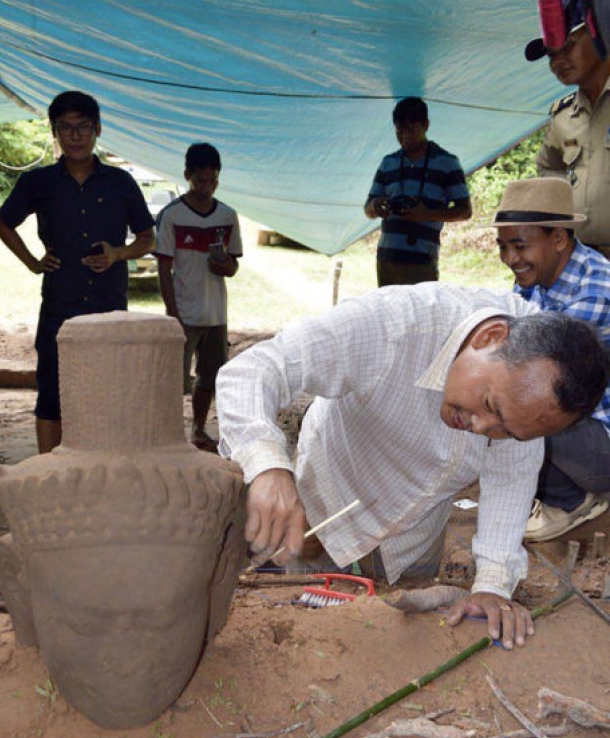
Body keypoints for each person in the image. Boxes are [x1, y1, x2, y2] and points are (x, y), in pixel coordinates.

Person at [215, 282, 608, 650]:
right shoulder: (393, 325)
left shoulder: (533, 388)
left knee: (391, 643)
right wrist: (268, 468)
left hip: (413, 540)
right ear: (489, 338)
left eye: (506, 431)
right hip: (325, 510)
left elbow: (511, 478)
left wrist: (492, 585)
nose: (483, 429)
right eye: (490, 406)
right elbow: (254, 370)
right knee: (309, 634)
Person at [0, 91, 156, 455]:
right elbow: (3, 224)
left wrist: (118, 253)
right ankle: (50, 470)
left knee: (107, 391)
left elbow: (148, 238)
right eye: (65, 128)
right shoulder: (39, 183)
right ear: (55, 132)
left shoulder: (120, 183)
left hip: (108, 307)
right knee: (52, 393)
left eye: (83, 127)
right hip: (59, 305)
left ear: (97, 129)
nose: (75, 136)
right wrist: (32, 262)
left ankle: (100, 466)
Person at [494, 177, 610, 541]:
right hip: (581, 426)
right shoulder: (536, 277)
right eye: (503, 247)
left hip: (601, 440)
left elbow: (529, 369)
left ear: (559, 238)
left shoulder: (597, 287)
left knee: (514, 407)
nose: (511, 259)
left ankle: (570, 500)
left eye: (519, 246)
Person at [156, 143, 242, 453]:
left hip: (216, 314)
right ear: (187, 176)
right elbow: (163, 268)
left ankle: (198, 428)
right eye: (201, 180)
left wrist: (225, 265)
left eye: (213, 180)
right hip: (183, 312)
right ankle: (170, 434)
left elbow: (233, 266)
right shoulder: (172, 216)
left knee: (210, 376)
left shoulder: (228, 215)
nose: (207, 187)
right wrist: (172, 311)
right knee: (174, 380)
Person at [525, 6, 610, 258]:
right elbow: (548, 166)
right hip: (585, 259)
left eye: (568, 46)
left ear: (600, 36)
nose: (557, 61)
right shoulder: (564, 117)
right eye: (551, 55)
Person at [364, 97, 472, 287]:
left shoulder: (447, 163)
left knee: (420, 316)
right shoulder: (388, 162)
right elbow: (368, 209)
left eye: (411, 130)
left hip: (421, 261)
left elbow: (465, 211)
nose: (404, 137)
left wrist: (426, 214)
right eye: (399, 132)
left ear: (426, 125)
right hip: (387, 259)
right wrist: (376, 206)